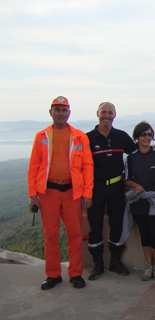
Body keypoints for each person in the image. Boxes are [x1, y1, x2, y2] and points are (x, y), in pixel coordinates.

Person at [28, 96, 93, 290]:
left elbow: (88, 168)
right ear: (51, 112)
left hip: (72, 193)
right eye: (57, 110)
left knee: (74, 234)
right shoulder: (42, 137)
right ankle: (53, 274)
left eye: (64, 110)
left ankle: (75, 274)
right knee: (50, 235)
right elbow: (34, 167)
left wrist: (87, 193)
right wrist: (33, 195)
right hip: (48, 192)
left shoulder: (80, 137)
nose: (61, 113)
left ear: (69, 113)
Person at [85, 102, 137, 280]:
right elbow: (79, 166)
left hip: (116, 187)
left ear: (114, 115)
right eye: (103, 112)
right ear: (97, 114)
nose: (106, 115)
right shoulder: (87, 138)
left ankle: (115, 261)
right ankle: (97, 264)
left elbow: (138, 152)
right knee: (95, 226)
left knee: (117, 224)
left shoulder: (121, 136)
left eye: (110, 112)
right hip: (95, 188)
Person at [122, 122, 155, 281]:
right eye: (143, 134)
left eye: (149, 134)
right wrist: (134, 185)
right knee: (144, 235)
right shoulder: (131, 158)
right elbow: (126, 180)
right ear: (137, 137)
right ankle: (149, 265)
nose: (147, 137)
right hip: (139, 202)